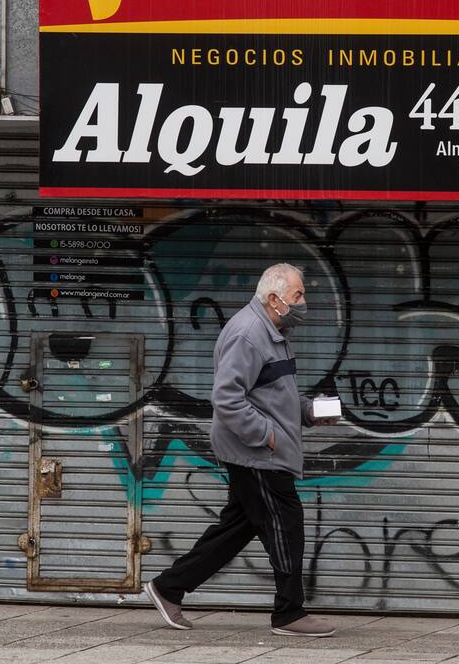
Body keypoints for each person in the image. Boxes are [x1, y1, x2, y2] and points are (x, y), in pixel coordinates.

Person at [144, 262, 336, 638]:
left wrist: (309, 412)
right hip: (257, 453)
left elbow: (275, 395)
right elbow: (227, 399)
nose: (304, 303)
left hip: (262, 450)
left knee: (237, 527)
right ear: (275, 299)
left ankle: (168, 588)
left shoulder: (273, 332)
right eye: (298, 295)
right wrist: (266, 435)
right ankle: (289, 613)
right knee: (286, 525)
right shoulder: (248, 334)